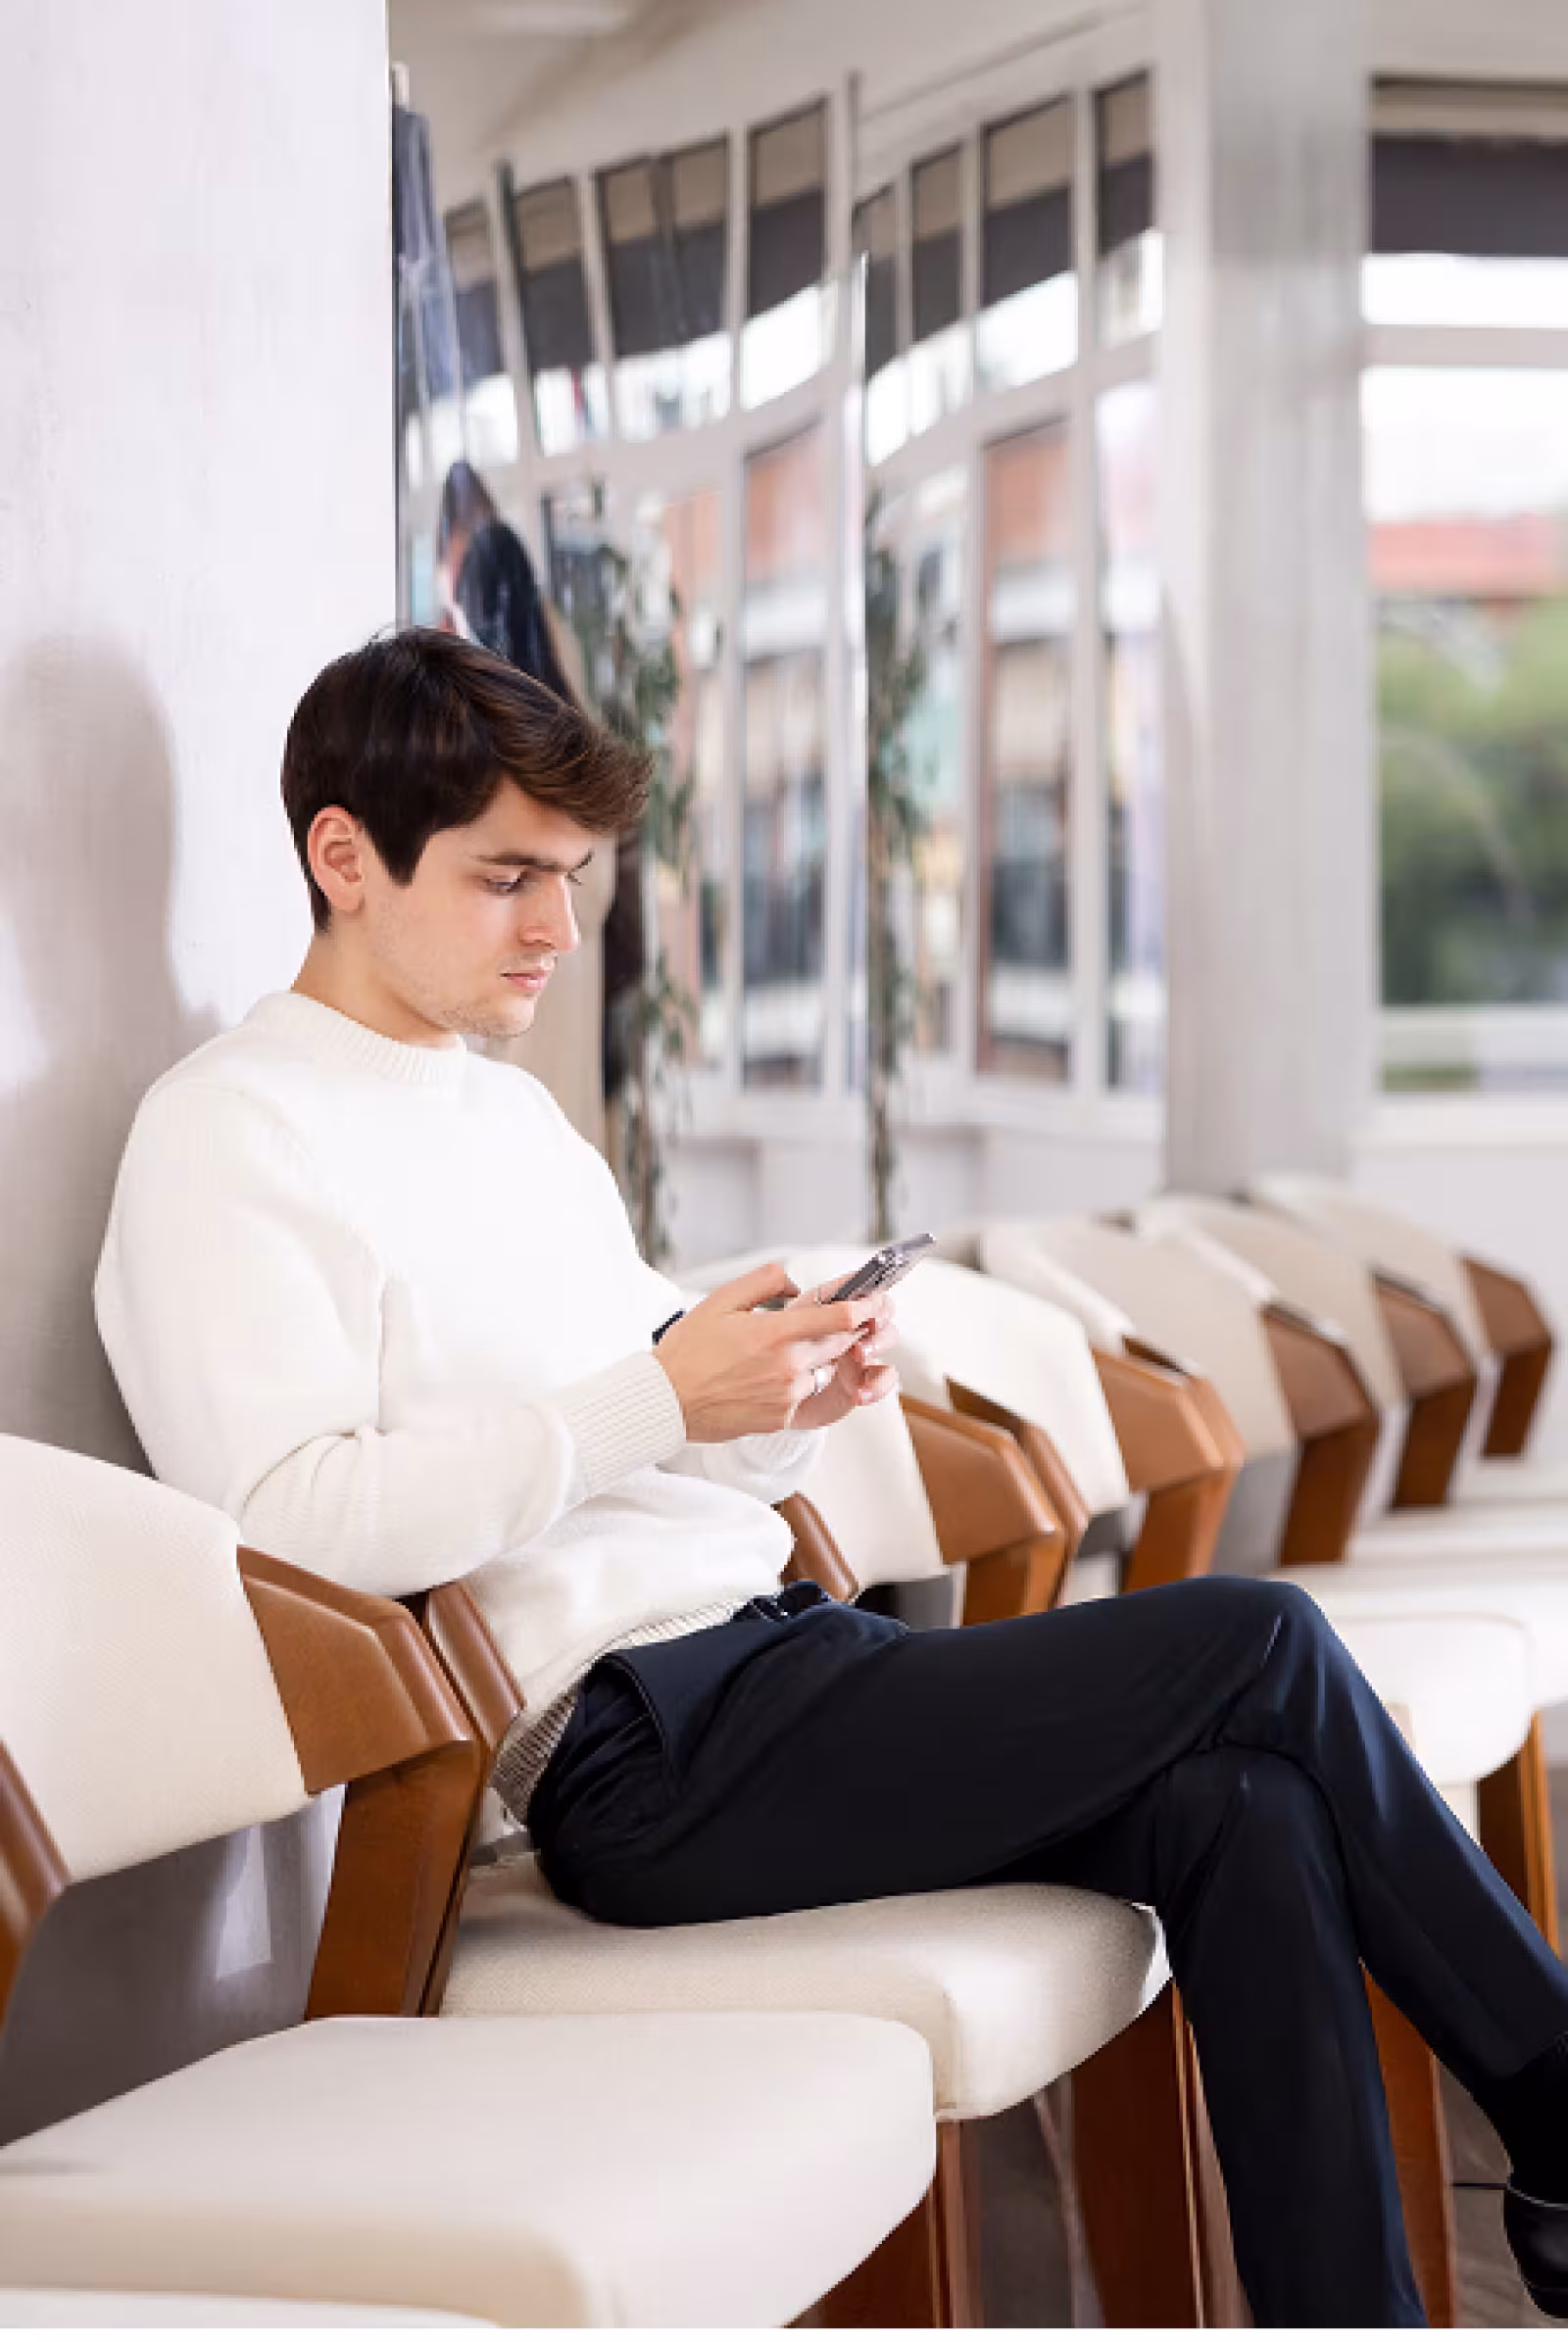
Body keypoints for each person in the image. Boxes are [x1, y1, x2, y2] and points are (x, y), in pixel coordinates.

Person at [96, 628, 1568, 2328]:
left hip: (776, 1659)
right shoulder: (228, 1135)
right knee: (1258, 1641)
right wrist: (654, 1394)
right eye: (509, 879)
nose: (557, 934)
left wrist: (777, 1395)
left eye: (571, 882)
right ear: (341, 856)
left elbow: (649, 1450)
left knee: (1247, 1810)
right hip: (629, 1752)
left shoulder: (504, 1122)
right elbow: (289, 1531)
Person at [436, 459, 617, 1150]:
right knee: (553, 1132)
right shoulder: (555, 651)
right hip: (567, 956)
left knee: (511, 1131)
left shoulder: (476, 684)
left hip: (523, 950)